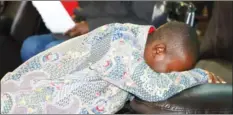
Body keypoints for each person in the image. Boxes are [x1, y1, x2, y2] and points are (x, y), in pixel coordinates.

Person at [1, 21, 225, 114]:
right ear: (159, 50)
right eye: (171, 72)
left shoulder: (135, 52)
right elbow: (154, 88)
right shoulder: (120, 43)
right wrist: (199, 75)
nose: (171, 78)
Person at [20, 1, 168, 62]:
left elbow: (146, 24)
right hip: (80, 30)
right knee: (30, 45)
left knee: (51, 50)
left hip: (112, 38)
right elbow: (88, 8)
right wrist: (75, 17)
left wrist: (92, 25)